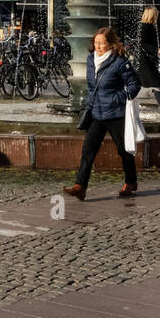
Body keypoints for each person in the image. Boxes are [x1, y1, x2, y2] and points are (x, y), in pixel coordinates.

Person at [63, 27, 141, 201]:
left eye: (102, 43)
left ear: (111, 44)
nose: (98, 46)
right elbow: (92, 87)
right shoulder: (91, 59)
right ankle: (80, 186)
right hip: (96, 113)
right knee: (88, 151)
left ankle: (131, 182)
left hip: (115, 113)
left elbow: (135, 85)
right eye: (96, 42)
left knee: (124, 150)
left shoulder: (120, 61)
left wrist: (118, 98)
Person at [137, 7, 160, 106]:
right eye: (156, 14)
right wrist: (156, 50)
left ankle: (133, 101)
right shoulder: (145, 27)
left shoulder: (149, 26)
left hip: (147, 58)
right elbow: (143, 44)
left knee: (149, 81)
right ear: (152, 15)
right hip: (145, 59)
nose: (157, 16)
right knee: (154, 81)